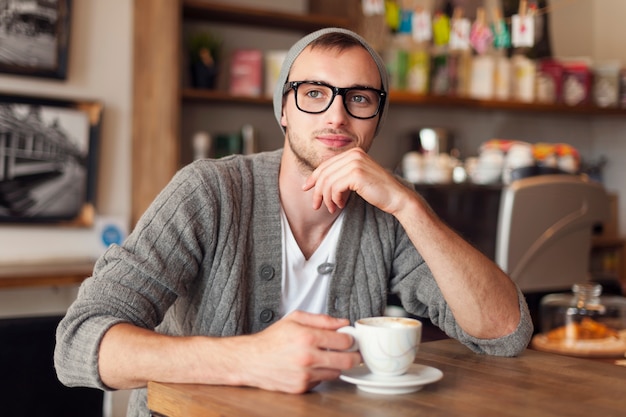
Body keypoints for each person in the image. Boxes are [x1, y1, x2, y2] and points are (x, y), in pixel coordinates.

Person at [55, 28, 533, 416]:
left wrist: (408, 204)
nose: (336, 115)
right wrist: (248, 360)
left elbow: (505, 333)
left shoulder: (387, 215)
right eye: (314, 94)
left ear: (377, 117)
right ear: (283, 109)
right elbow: (78, 345)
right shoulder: (209, 193)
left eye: (359, 99)